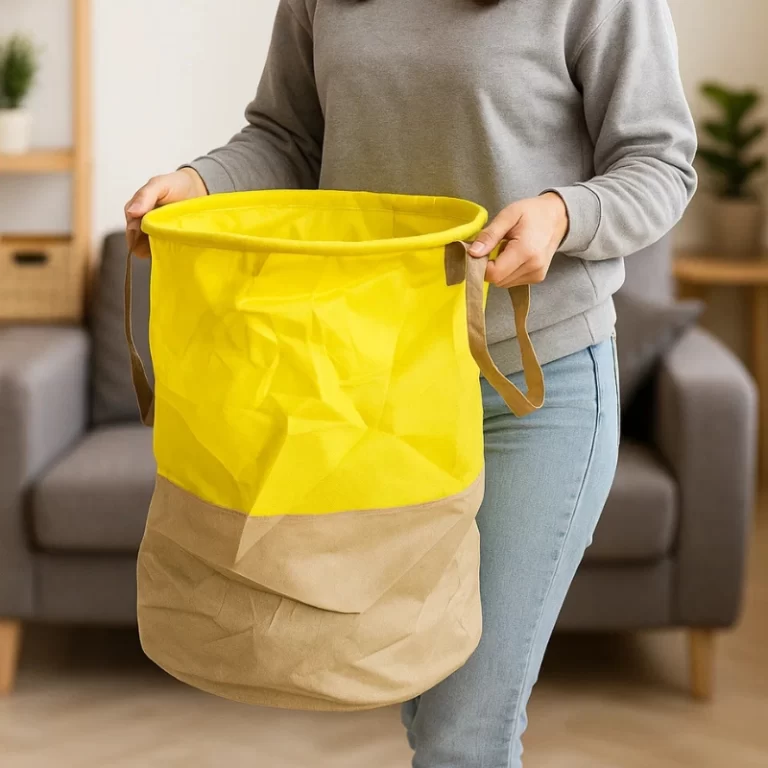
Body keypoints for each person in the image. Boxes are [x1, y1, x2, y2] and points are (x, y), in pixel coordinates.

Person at [125, 0, 697, 765]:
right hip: (376, 392)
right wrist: (200, 182)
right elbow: (288, 138)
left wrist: (564, 215)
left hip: (533, 387)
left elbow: (661, 161)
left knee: (465, 727)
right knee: (422, 693)